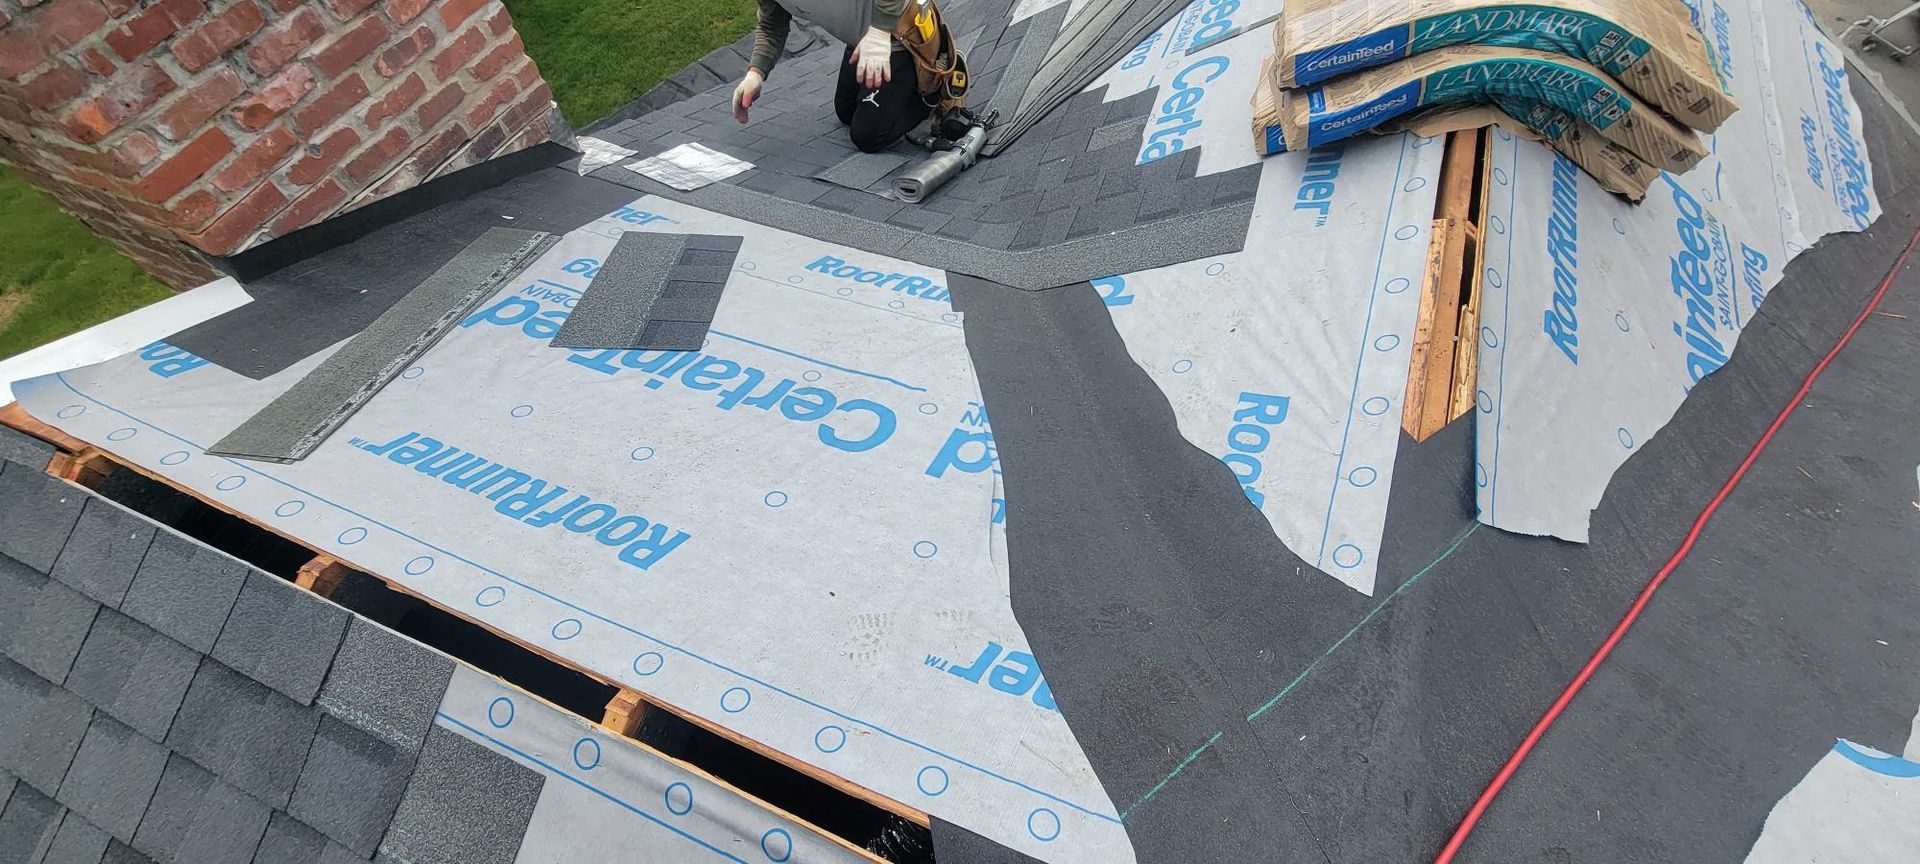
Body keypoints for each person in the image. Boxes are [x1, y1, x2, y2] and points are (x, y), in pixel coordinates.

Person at [731, 0, 934, 153]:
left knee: (869, 137)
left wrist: (880, 32)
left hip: (901, 37)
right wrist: (755, 74)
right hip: (862, 44)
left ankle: (932, 94)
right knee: (846, 112)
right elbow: (772, 24)